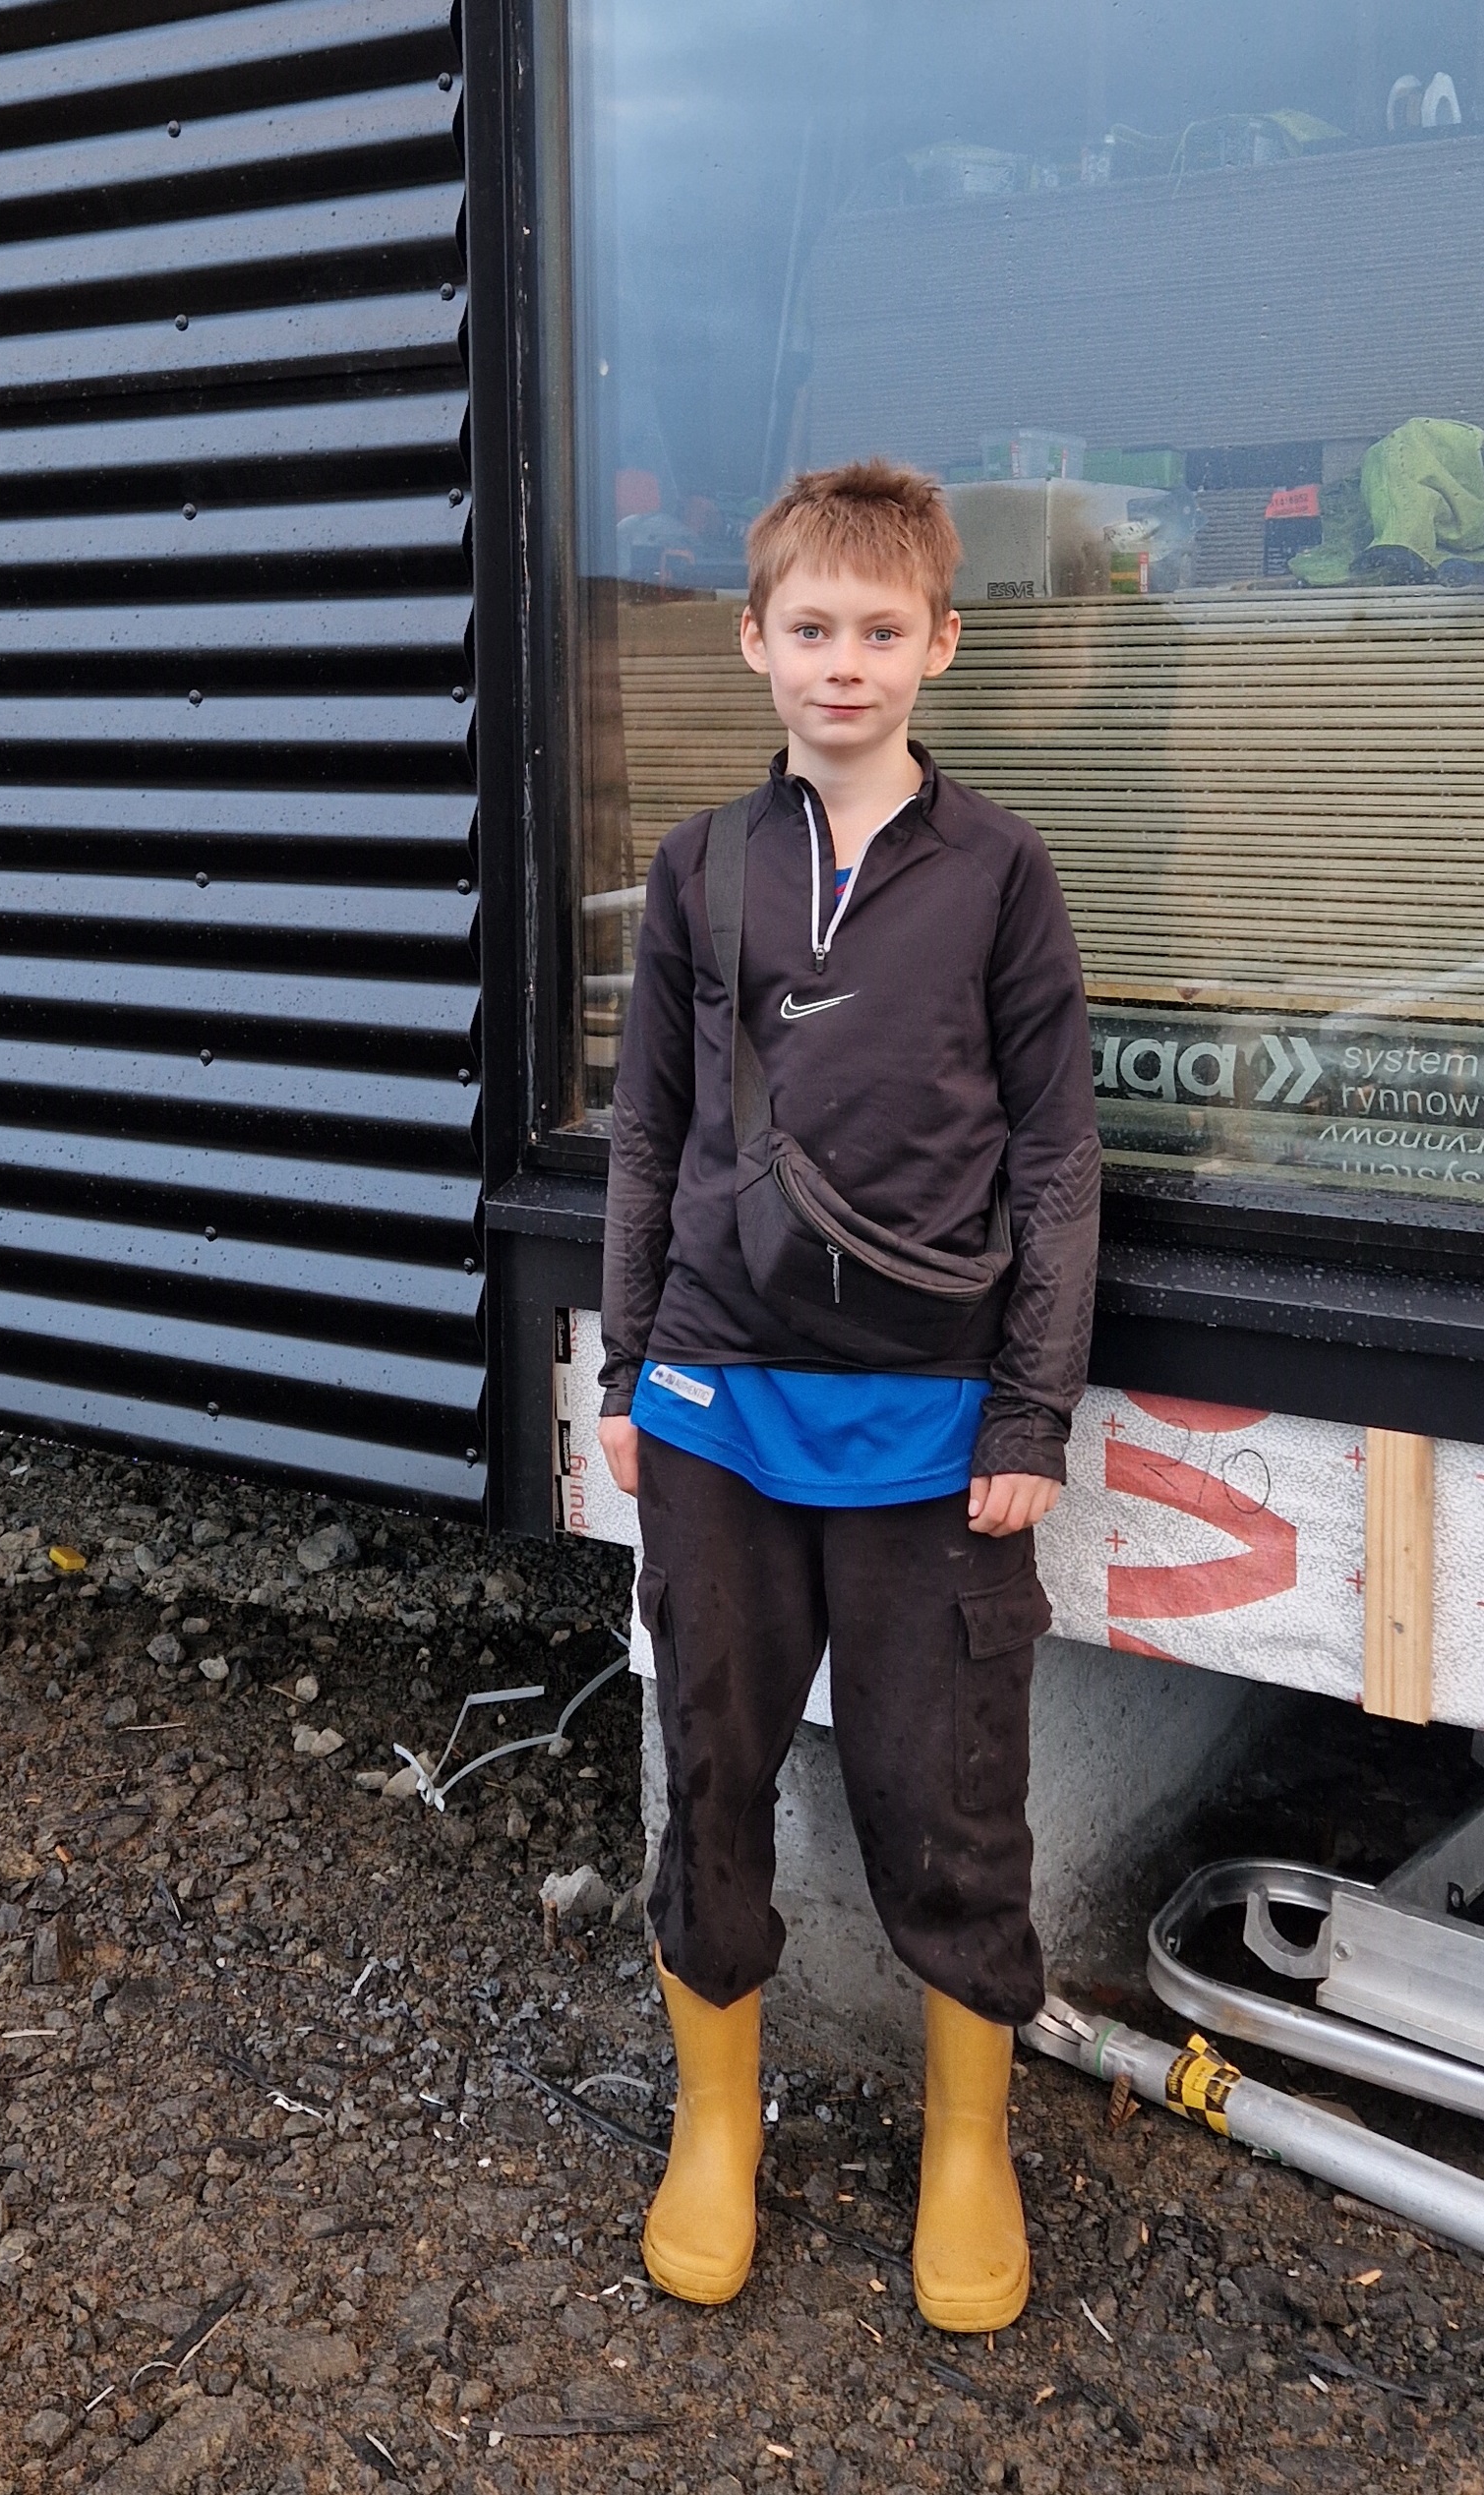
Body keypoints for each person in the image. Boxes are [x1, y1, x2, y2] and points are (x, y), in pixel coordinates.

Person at [598, 458, 1099, 2333]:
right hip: (716, 1405)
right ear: (752, 641)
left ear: (941, 644)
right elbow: (646, 1132)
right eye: (810, 627)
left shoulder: (1002, 873)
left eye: (881, 630)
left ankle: (969, 2143)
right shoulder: (697, 867)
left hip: (929, 1426)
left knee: (945, 1794)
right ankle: (712, 2120)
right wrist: (627, 1358)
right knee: (714, 1762)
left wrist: (1031, 1411)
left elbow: (1057, 1158)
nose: (843, 662)